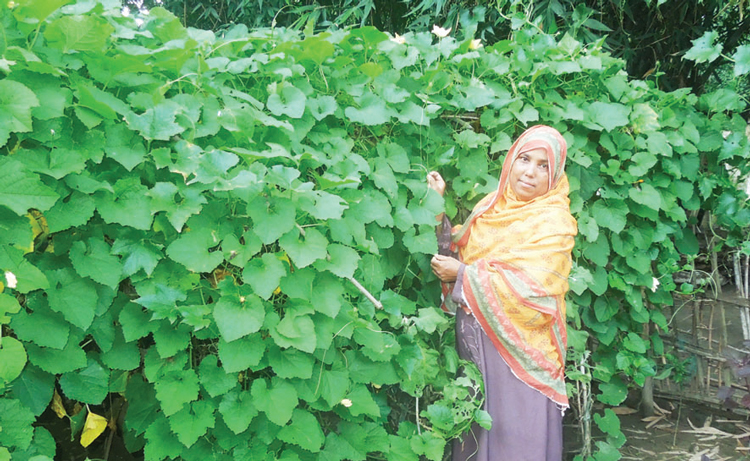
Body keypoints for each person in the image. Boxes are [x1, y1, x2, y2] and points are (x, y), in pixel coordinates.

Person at [427, 125, 577, 461]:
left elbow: (535, 295)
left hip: (519, 362)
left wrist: (464, 275)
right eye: (525, 158)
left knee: (516, 443)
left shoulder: (554, 223)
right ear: (511, 160)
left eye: (544, 166)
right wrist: (437, 211)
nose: (530, 171)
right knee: (476, 436)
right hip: (477, 352)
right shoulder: (490, 209)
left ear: (554, 176)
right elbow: (456, 258)